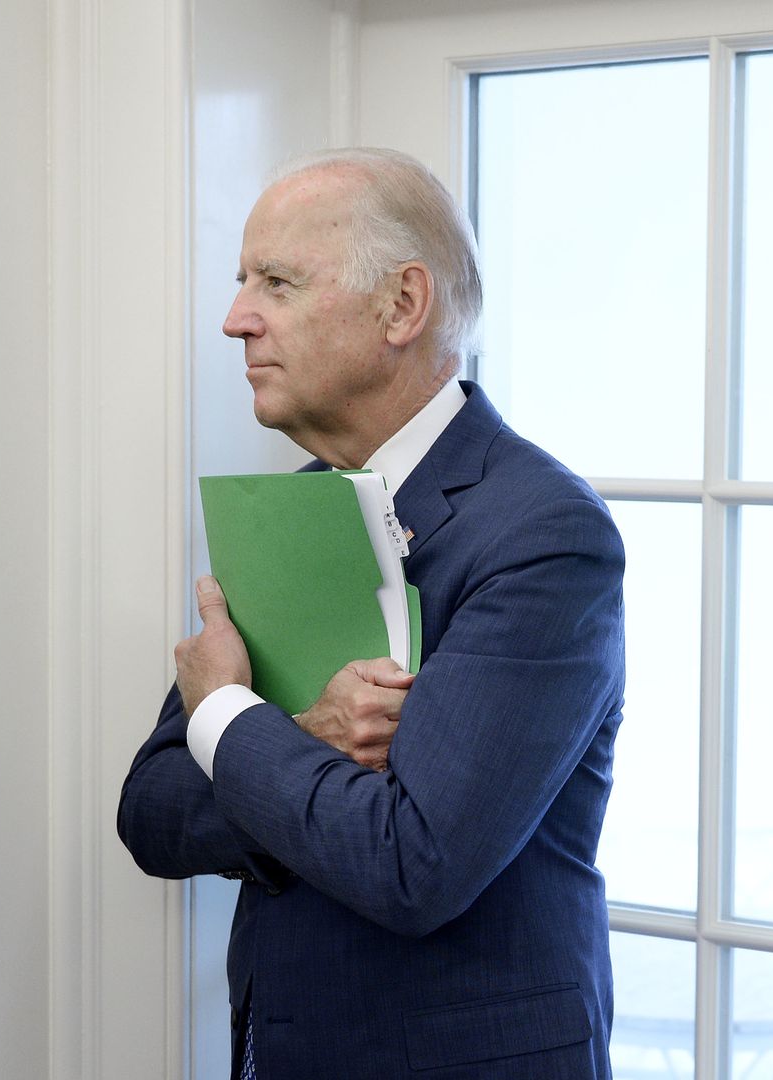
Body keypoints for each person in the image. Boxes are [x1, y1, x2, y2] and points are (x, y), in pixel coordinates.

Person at [116, 147, 626, 1079]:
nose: (235, 320)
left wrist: (230, 717)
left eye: (276, 282)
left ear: (402, 305)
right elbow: (151, 813)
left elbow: (413, 864)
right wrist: (304, 732)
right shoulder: (290, 514)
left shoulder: (546, 533)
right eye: (242, 282)